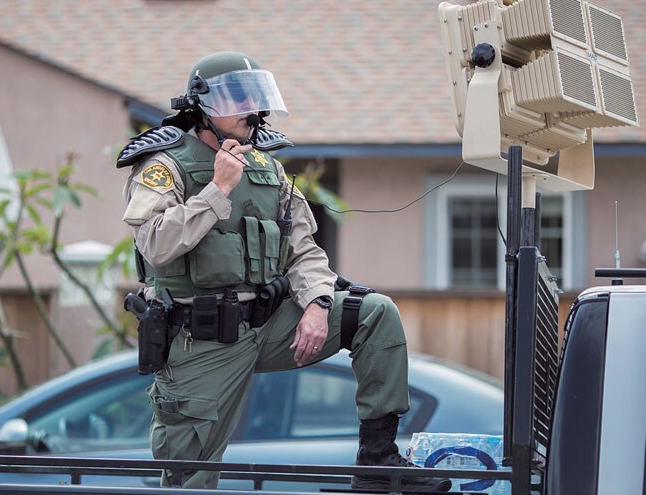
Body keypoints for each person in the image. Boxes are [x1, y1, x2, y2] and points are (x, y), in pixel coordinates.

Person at [118, 51, 450, 492]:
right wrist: (217, 189)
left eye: (256, 99)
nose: (253, 111)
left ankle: (377, 460)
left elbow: (305, 250)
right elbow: (156, 244)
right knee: (189, 478)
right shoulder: (164, 164)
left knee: (373, 313)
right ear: (203, 106)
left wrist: (317, 303)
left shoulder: (268, 168)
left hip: (268, 325)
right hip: (201, 340)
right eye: (239, 99)